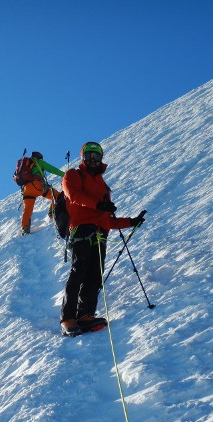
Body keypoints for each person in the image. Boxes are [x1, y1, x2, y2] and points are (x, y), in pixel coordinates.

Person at [60, 141, 145, 336]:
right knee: (78, 271)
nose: (92, 160)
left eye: (96, 157)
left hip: (100, 233)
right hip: (81, 230)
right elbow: (73, 195)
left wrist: (130, 222)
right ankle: (68, 318)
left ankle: (85, 315)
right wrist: (99, 205)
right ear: (82, 158)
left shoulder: (103, 186)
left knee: (94, 275)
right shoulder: (73, 175)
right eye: (89, 156)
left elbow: (106, 219)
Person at [20, 152, 64, 236]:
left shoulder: (26, 165)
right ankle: (52, 212)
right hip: (37, 186)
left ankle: (25, 228)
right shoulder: (39, 162)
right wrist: (65, 174)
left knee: (27, 209)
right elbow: (52, 169)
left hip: (26, 189)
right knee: (57, 195)